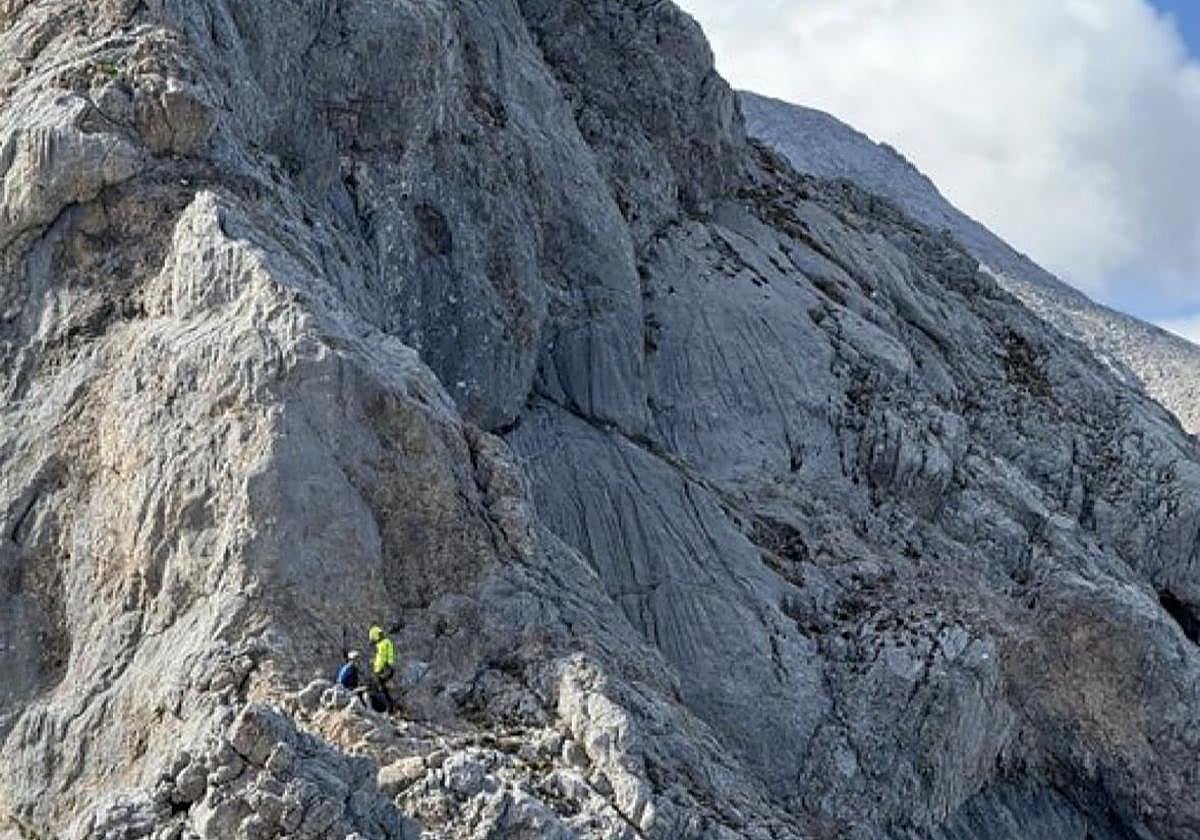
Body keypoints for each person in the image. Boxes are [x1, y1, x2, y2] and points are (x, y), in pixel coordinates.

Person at [369, 625, 397, 713]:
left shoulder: (384, 643)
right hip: (381, 670)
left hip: (383, 670)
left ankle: (388, 708)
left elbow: (386, 657)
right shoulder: (382, 644)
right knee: (382, 689)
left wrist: (387, 666)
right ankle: (388, 707)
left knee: (382, 689)